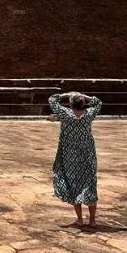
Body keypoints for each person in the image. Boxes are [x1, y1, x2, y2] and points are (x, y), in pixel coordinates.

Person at [49, 91, 103, 229]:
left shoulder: (65, 114)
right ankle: (92, 220)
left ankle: (79, 219)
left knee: (74, 184)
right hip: (87, 155)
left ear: (70, 104)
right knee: (90, 185)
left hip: (70, 156)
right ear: (83, 104)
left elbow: (52, 100)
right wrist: (85, 96)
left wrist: (65, 94)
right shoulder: (88, 115)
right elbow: (98, 102)